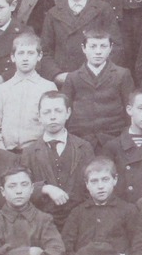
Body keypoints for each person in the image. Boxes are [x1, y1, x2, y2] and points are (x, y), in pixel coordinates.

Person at [41, 0, 127, 80]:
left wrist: (100, 73)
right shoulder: (53, 13)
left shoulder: (103, 10)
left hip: (96, 79)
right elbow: (45, 52)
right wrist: (57, 75)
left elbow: (116, 48)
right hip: (65, 78)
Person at [21, 90, 94, 226]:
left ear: (68, 113)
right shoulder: (29, 152)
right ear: (39, 116)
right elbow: (23, 188)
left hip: (80, 221)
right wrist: (45, 188)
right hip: (42, 222)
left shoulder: (84, 147)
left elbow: (91, 185)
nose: (52, 117)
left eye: (58, 111)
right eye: (47, 112)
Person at [62, 27, 135, 149]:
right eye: (93, 46)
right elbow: (65, 111)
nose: (98, 52)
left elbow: (130, 111)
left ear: (111, 48)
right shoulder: (72, 78)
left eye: (103, 46)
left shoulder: (122, 75)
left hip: (114, 139)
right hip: (80, 140)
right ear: (83, 48)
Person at [0, 32, 57, 151]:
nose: (25, 58)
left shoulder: (48, 87)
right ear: (13, 57)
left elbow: (53, 123)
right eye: (20, 53)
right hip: (5, 152)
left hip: (38, 153)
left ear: (39, 56)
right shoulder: (2, 90)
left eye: (30, 53)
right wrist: (2, 149)